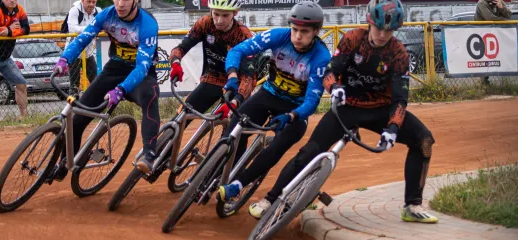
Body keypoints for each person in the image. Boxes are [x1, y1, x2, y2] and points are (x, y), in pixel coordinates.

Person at [250, 0, 439, 223]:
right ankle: (270, 199)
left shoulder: (398, 53)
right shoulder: (353, 39)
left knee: (424, 139)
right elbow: (330, 71)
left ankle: (412, 205)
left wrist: (393, 127)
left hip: (381, 110)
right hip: (346, 107)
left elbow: (400, 98)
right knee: (310, 151)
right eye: (379, 28)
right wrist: (334, 88)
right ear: (370, 22)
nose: (383, 34)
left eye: (389, 30)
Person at [217, 2, 331, 208]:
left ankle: (238, 184)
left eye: (304, 32)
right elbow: (237, 51)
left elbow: (312, 102)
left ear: (316, 31)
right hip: (268, 95)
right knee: (236, 125)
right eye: (295, 29)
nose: (297, 36)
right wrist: (232, 77)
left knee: (277, 146)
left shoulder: (321, 57)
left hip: (295, 110)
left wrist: (292, 116)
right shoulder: (280, 35)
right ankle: (224, 170)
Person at [47, 0, 160, 181]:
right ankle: (64, 164)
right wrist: (65, 59)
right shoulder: (107, 15)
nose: (120, 4)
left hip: (141, 74)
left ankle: (149, 155)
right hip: (114, 69)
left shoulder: (147, 24)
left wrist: (121, 89)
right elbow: (83, 39)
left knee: (150, 97)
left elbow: (142, 66)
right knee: (78, 117)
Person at [168, 0, 255, 127]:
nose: (219, 20)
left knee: (235, 130)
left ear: (235, 13)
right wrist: (175, 63)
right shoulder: (205, 24)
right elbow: (180, 48)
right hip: (213, 78)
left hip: (237, 83)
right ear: (211, 11)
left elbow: (249, 78)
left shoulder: (243, 35)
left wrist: (237, 100)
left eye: (225, 15)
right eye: (216, 14)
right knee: (181, 116)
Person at [65, 0, 102, 96]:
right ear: (82, 1)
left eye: (93, 2)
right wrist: (92, 29)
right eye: (88, 1)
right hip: (74, 52)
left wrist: (93, 30)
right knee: (74, 86)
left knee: (96, 81)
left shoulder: (98, 11)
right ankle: (72, 108)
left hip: (88, 52)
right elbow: (73, 28)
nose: (91, 4)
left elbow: (103, 26)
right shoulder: (75, 10)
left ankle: (96, 105)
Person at [475, 0, 511, 85]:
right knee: (484, 58)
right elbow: (490, 17)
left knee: (496, 56)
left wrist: (501, 8)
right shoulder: (482, 3)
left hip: (495, 34)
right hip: (481, 34)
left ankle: (499, 79)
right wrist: (504, 20)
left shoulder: (500, 2)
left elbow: (509, 15)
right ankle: (484, 81)